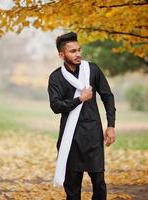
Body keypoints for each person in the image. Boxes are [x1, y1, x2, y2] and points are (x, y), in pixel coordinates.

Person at [47, 31, 116, 200]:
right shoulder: (56, 77)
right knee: (72, 189)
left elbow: (107, 96)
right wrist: (80, 99)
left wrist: (111, 125)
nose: (78, 54)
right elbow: (56, 106)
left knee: (99, 184)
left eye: (79, 50)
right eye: (73, 51)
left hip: (93, 135)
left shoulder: (92, 70)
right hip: (70, 140)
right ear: (61, 55)